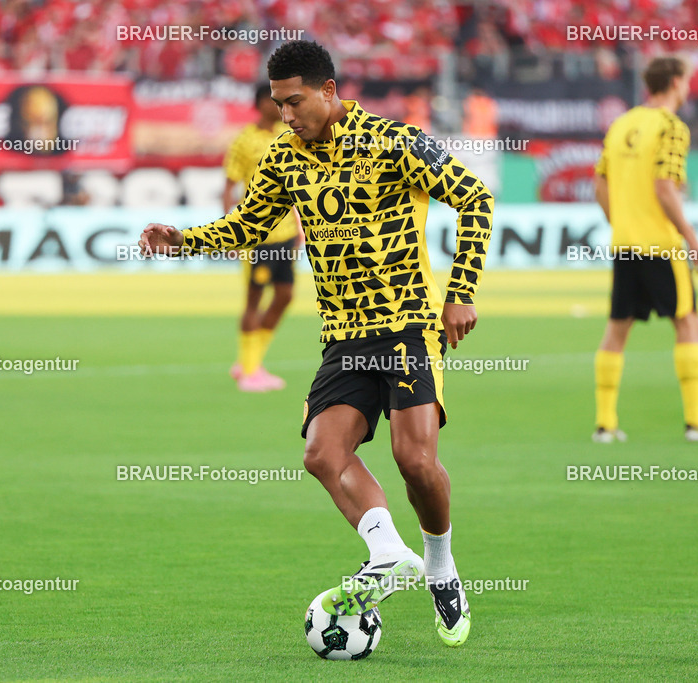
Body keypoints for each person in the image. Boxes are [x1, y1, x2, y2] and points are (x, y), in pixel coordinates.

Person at [138, 40, 493, 646]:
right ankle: (391, 554)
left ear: (329, 91)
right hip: (343, 336)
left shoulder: (394, 140)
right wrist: (184, 239)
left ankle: (440, 563)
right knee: (322, 454)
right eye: (278, 105)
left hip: (407, 324)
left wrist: (460, 291)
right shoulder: (283, 155)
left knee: (415, 461)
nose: (286, 115)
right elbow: (249, 225)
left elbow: (475, 197)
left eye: (295, 102)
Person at [592, 55, 698, 444]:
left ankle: (605, 425)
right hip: (662, 245)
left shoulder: (622, 123)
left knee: (616, 330)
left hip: (625, 244)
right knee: (688, 322)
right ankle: (697, 421)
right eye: (687, 80)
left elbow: (600, 185)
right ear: (676, 82)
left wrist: (621, 223)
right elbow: (664, 188)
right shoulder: (672, 126)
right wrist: (694, 243)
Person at [224, 84, 304, 392]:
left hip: (284, 234)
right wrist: (230, 233)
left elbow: (293, 188)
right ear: (260, 104)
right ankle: (249, 371)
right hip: (258, 235)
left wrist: (298, 226)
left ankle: (250, 362)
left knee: (285, 296)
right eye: (275, 102)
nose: (282, 108)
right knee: (254, 300)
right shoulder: (244, 141)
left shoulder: (286, 139)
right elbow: (229, 186)